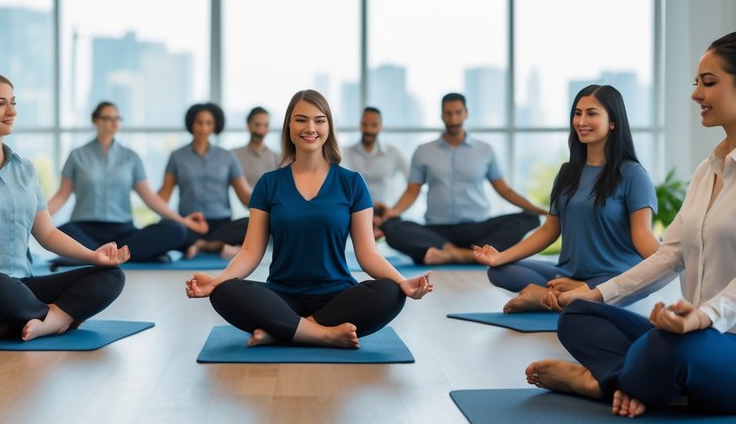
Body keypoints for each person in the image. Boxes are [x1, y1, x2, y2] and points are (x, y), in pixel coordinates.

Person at [527, 31, 736, 417]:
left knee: (665, 348)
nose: (696, 94)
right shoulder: (707, 170)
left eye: (708, 83)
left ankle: (599, 382)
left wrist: (704, 316)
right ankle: (640, 381)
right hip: (691, 335)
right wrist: (594, 296)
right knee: (578, 316)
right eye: (697, 83)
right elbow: (670, 255)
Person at [184, 89, 434, 349]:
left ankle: (284, 331)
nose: (310, 127)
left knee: (391, 292)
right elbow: (250, 251)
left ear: (329, 126)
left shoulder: (352, 183)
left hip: (338, 297)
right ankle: (323, 334)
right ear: (289, 126)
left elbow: (368, 254)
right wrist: (216, 282)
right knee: (224, 292)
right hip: (282, 295)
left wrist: (403, 282)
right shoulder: (269, 184)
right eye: (301, 119)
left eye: (319, 120)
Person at [0, 73, 128, 342]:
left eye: (13, 102)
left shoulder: (25, 169)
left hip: (21, 286)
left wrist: (94, 256)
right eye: (0, 103)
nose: (11, 111)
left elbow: (47, 234)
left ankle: (44, 321)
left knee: (111, 276)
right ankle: (54, 319)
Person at [474, 85, 659, 313]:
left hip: (614, 275)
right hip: (567, 273)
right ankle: (568, 295)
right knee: (500, 271)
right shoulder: (567, 173)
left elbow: (642, 235)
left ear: (613, 122)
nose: (581, 121)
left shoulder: (633, 174)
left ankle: (560, 295)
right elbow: (549, 230)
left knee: (615, 287)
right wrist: (499, 257)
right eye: (577, 113)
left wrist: (671, 262)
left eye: (591, 113)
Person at [380, 93, 546, 265]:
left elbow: (505, 190)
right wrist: (392, 213)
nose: (453, 119)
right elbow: (412, 191)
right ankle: (469, 254)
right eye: (449, 113)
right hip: (437, 232)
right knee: (392, 227)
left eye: (458, 112)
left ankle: (453, 254)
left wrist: (541, 210)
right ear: (442, 115)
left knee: (529, 218)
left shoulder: (485, 150)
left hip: (478, 230)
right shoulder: (423, 151)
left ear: (466, 113)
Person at [47, 101, 206, 263]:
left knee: (176, 230)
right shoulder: (76, 156)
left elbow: (149, 197)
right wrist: (35, 217)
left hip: (123, 234)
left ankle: (97, 255)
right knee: (61, 232)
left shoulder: (131, 157)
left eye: (117, 118)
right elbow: (61, 196)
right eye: (107, 118)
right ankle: (113, 255)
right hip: (83, 230)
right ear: (95, 120)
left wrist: (183, 220)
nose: (114, 122)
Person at [157, 102, 253, 259]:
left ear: (215, 126)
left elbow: (245, 196)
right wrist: (147, 198)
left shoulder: (227, 156)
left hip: (222, 224)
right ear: (191, 124)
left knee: (252, 224)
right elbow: (163, 196)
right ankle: (217, 245)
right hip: (189, 224)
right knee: (169, 229)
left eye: (208, 123)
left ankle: (203, 245)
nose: (203, 128)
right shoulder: (177, 156)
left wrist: (269, 203)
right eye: (199, 123)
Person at [342, 106, 410, 240]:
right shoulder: (345, 153)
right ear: (360, 125)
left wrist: (394, 210)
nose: (368, 129)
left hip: (384, 218)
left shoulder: (393, 153)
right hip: (352, 215)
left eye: (373, 125)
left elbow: (413, 183)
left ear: (381, 126)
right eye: (364, 124)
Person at [232, 106, 279, 187]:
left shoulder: (277, 157)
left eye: (265, 125)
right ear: (248, 125)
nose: (261, 130)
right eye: (257, 125)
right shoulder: (234, 155)